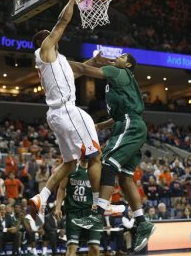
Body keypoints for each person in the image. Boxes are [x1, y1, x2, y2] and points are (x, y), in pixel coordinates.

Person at [69, 52, 156, 252]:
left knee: (107, 162)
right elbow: (119, 115)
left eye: (123, 55)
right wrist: (101, 126)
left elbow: (82, 69)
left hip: (129, 124)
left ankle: (98, 212)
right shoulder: (120, 79)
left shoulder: (118, 71)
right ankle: (142, 222)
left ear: (128, 64)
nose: (118, 56)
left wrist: (59, 62)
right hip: (127, 124)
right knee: (125, 179)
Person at [29, 0, 102, 224]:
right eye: (47, 34)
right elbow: (61, 22)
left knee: (70, 163)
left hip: (58, 115)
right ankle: (100, 203)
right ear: (43, 41)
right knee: (94, 155)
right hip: (67, 111)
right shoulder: (45, 52)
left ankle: (42, 197)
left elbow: (78, 71)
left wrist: (95, 61)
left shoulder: (57, 60)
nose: (51, 35)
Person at [55, 160, 101, 256]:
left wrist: (101, 203)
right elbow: (61, 188)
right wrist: (58, 207)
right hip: (73, 213)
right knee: (72, 247)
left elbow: (106, 189)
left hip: (92, 213)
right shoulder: (71, 168)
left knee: (95, 248)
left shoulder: (97, 169)